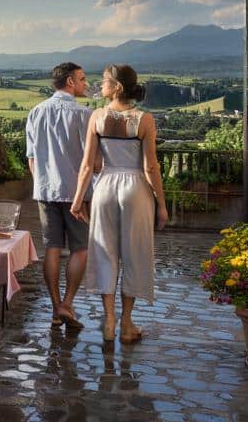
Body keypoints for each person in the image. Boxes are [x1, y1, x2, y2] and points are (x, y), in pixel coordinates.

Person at [69, 64, 167, 344]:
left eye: (104, 81)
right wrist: (161, 204)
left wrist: (77, 201)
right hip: (135, 189)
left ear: (117, 87)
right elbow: (151, 167)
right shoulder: (144, 119)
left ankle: (109, 319)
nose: (99, 85)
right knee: (134, 255)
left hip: (105, 188)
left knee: (104, 254)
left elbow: (87, 165)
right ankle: (127, 324)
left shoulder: (97, 117)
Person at [25, 61, 92, 329]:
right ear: (70, 82)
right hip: (77, 193)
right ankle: (67, 303)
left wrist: (41, 183)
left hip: (45, 190)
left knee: (51, 248)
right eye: (83, 79)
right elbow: (91, 160)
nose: (86, 83)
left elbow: (31, 158)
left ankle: (56, 309)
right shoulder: (83, 114)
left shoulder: (36, 112)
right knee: (80, 249)